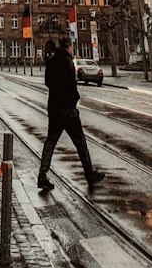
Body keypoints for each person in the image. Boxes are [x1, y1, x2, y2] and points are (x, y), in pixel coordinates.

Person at [38, 37, 106, 192]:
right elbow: (71, 85)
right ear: (69, 47)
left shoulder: (52, 60)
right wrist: (74, 101)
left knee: (50, 142)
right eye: (71, 47)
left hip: (54, 108)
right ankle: (89, 175)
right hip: (68, 109)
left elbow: (48, 82)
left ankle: (42, 176)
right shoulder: (68, 62)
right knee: (80, 143)